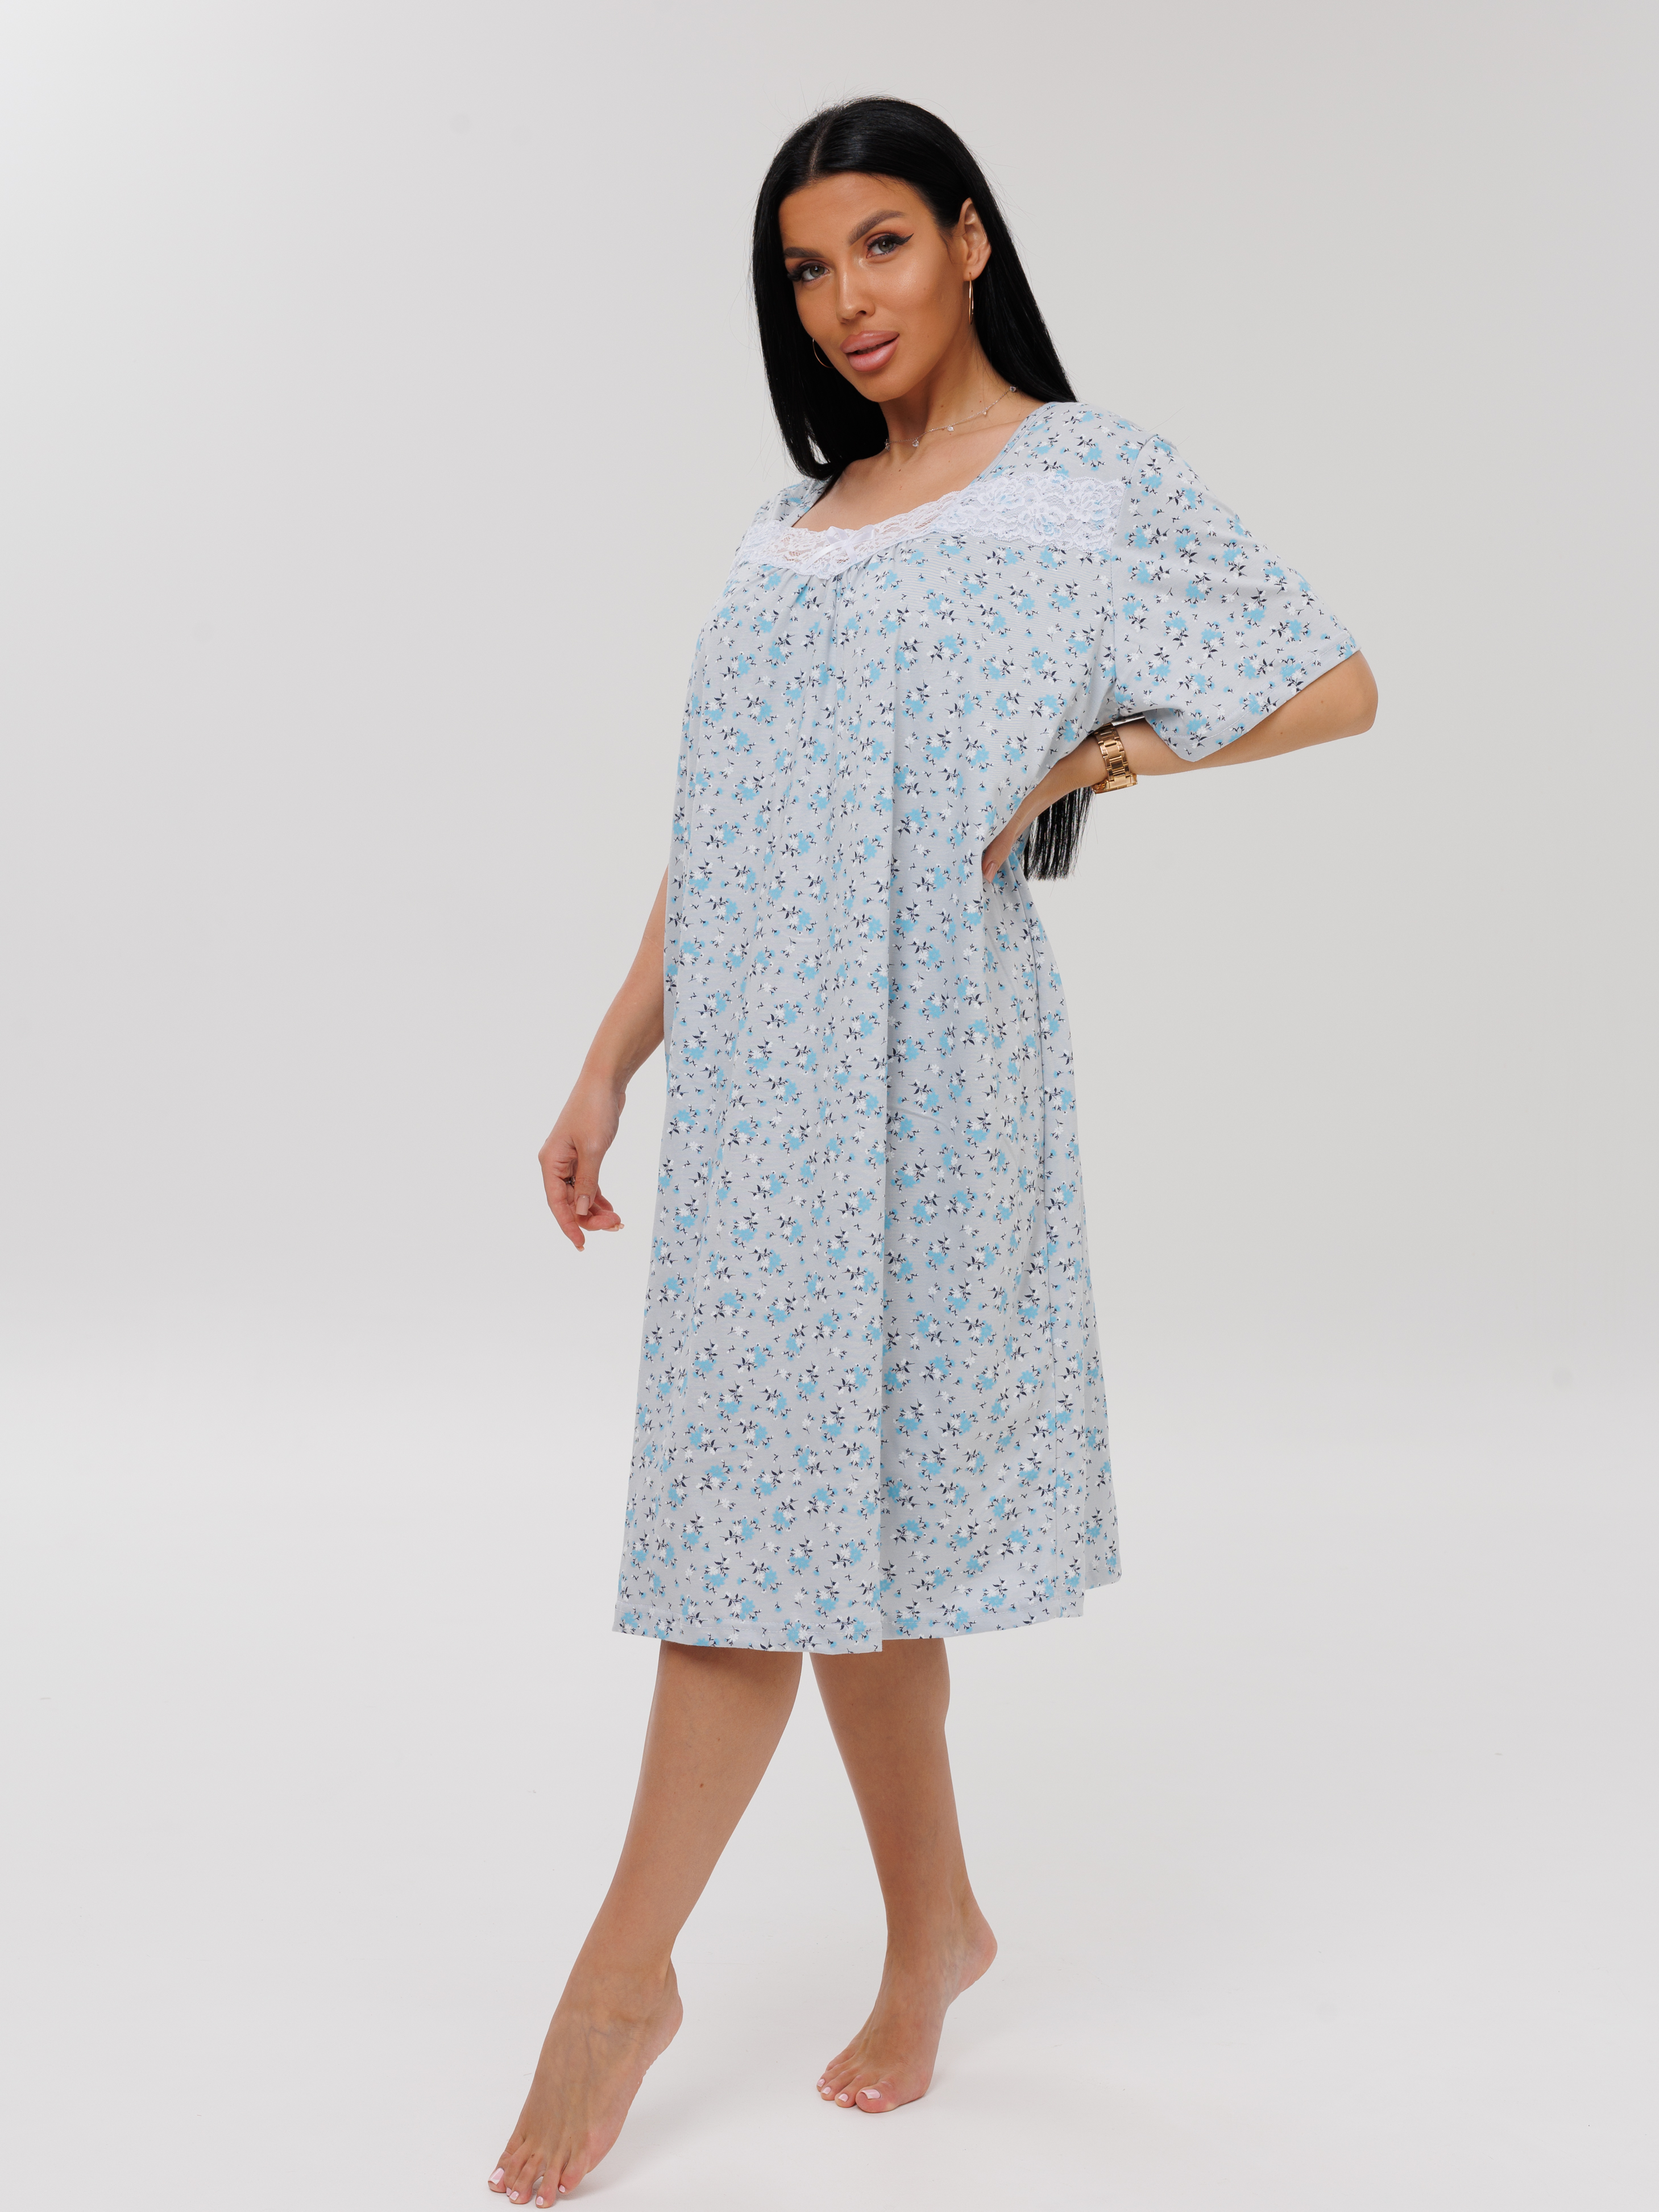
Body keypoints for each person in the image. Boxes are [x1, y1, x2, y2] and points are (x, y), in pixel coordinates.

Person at [488, 95, 1376, 2205]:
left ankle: (620, 1979)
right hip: (756, 1081)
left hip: (933, 1066)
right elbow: (724, 829)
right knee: (802, 1521)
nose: (845, 300)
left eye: (881, 244)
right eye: (807, 270)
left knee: (797, 1525)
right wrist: (613, 1055)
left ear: (971, 239)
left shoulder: (1090, 481)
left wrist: (1112, 752)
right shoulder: (787, 527)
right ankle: (939, 1928)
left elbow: (1336, 680)